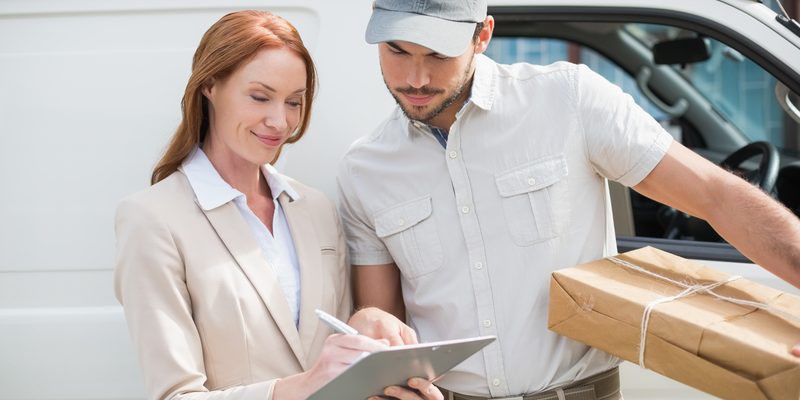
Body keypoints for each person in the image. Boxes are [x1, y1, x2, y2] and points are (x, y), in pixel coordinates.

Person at [336, 1, 800, 399]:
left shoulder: (568, 100)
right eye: (397, 50)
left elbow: (715, 194)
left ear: (483, 35)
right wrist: (371, 334)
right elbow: (386, 331)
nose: (416, 77)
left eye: (438, 53)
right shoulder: (364, 170)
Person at [114, 10, 442, 400]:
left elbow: (337, 360)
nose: (279, 121)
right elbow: (175, 396)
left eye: (293, 102)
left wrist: (368, 326)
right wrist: (301, 387)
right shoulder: (153, 219)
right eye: (259, 97)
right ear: (209, 87)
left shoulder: (315, 209)